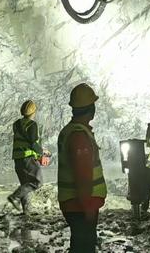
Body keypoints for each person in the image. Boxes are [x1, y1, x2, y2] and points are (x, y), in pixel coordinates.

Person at [58, 83, 107, 253]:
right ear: (91, 108)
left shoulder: (71, 131)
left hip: (74, 203)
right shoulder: (79, 136)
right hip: (79, 205)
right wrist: (88, 207)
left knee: (80, 245)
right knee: (84, 247)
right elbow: (83, 175)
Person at [8, 100, 46, 215]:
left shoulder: (16, 124)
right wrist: (42, 153)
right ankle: (14, 197)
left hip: (17, 158)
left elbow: (24, 140)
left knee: (25, 184)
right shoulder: (32, 125)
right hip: (28, 158)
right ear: (34, 112)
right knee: (37, 182)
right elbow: (33, 144)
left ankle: (26, 212)